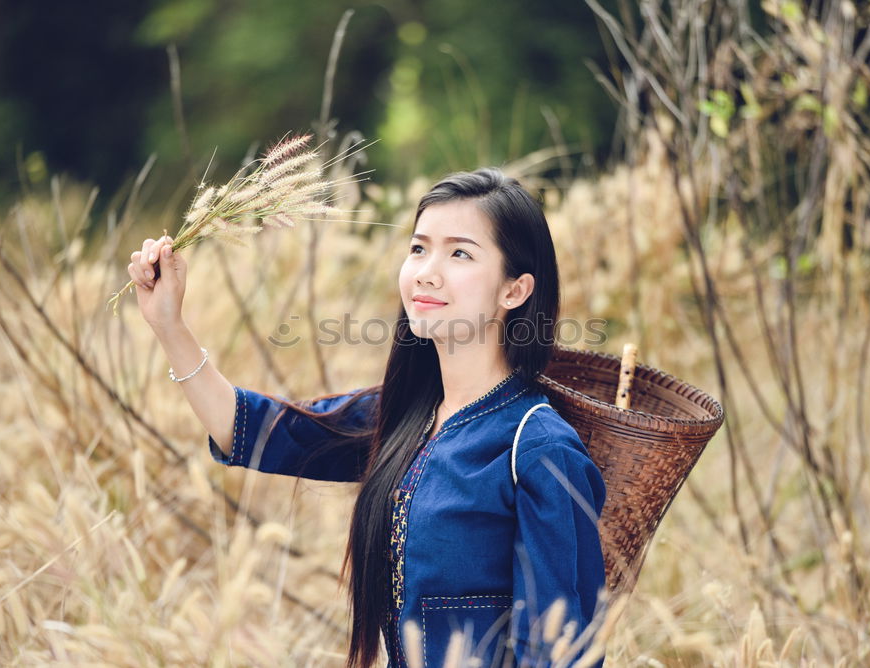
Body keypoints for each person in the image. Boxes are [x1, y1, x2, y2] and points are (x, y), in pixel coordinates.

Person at [128, 167, 608, 667]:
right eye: (419, 248)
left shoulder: (536, 448)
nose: (426, 270)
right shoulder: (404, 415)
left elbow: (561, 652)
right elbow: (262, 430)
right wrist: (169, 326)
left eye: (460, 252)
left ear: (515, 290)